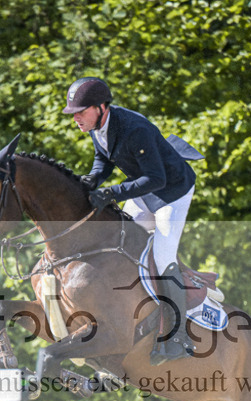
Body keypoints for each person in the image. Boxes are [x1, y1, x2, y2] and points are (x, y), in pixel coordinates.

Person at [63, 76, 199, 366]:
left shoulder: (135, 129)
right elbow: (104, 159)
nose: (76, 118)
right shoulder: (95, 124)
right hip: (144, 191)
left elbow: (157, 178)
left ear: (101, 107)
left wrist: (112, 192)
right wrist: (93, 178)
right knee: (119, 240)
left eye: (81, 112)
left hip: (171, 193)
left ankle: (177, 337)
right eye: (73, 113)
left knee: (162, 259)